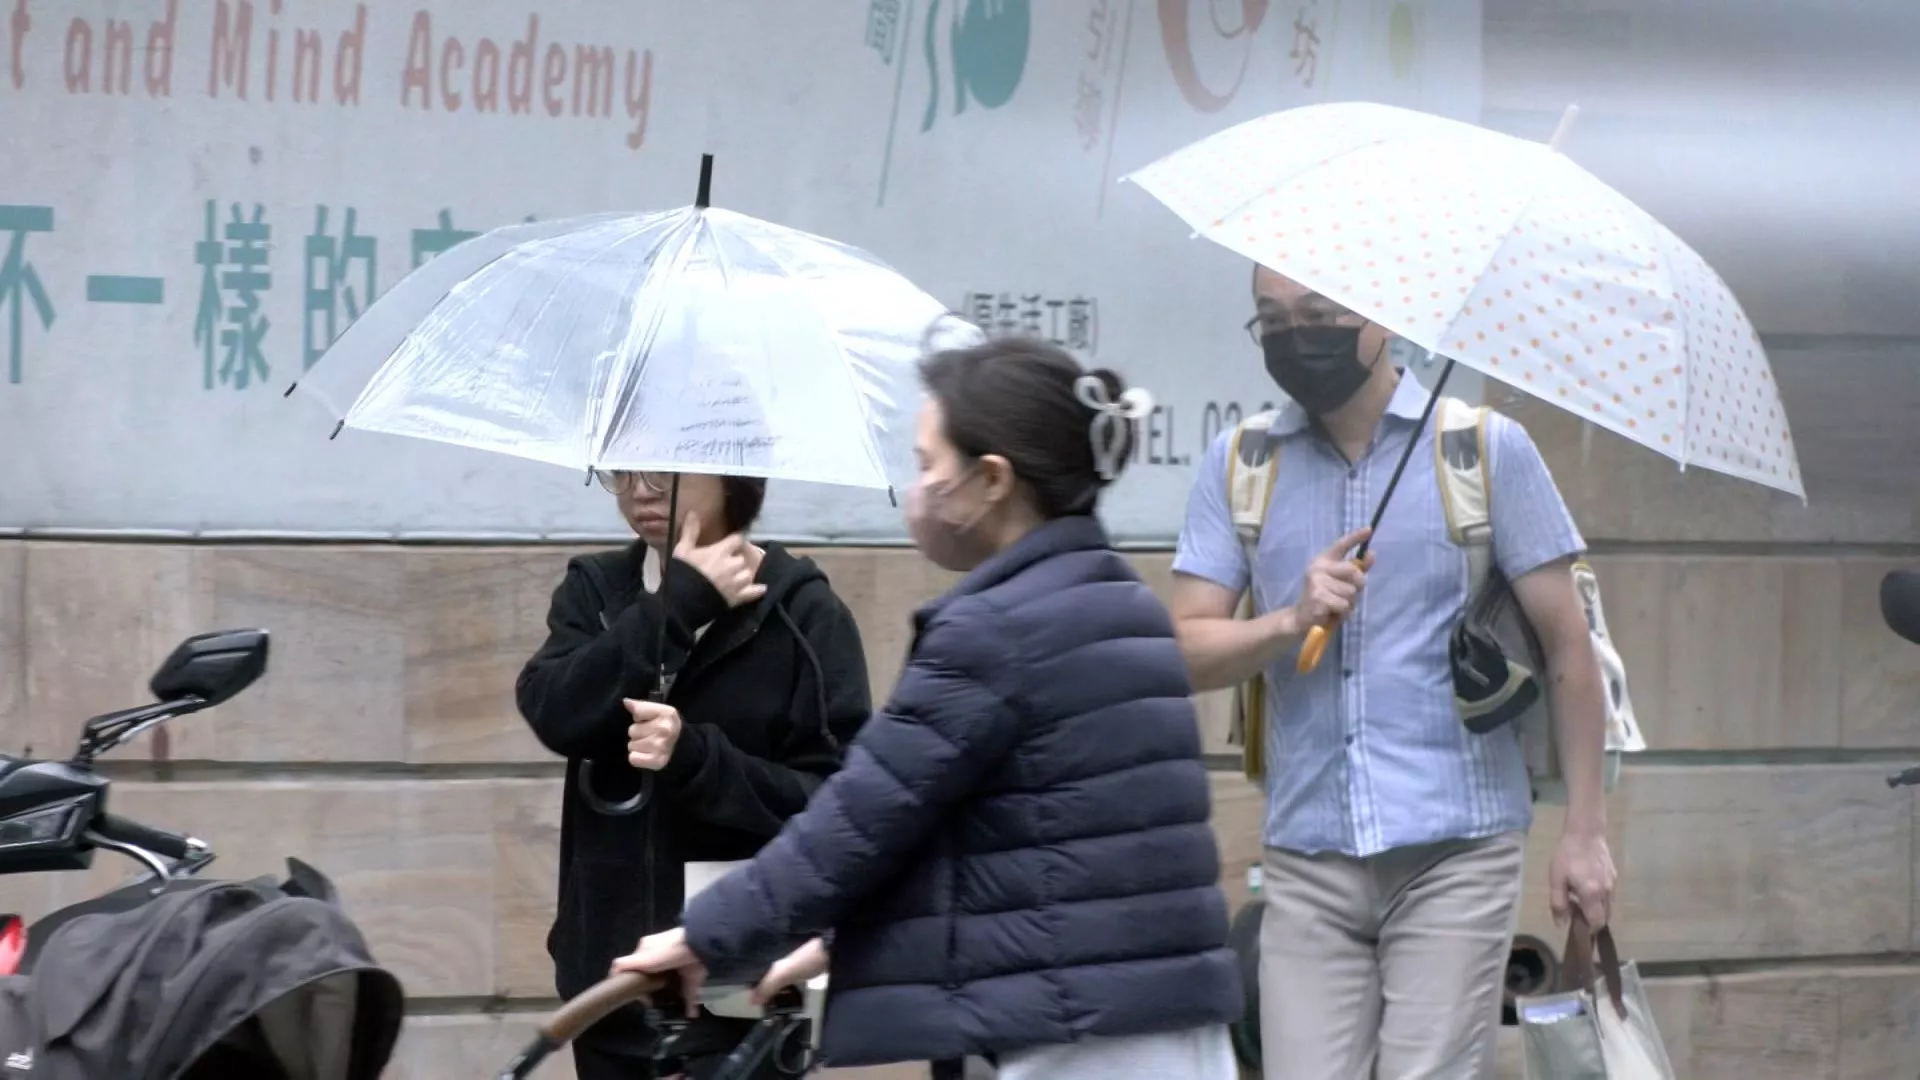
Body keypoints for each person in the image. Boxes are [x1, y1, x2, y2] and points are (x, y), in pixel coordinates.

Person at [610, 337, 1243, 1079]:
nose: (917, 492)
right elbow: (1007, 842)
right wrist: (840, 942)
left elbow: (860, 821)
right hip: (1159, 1024)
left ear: (992, 479)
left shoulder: (996, 629)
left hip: (1066, 1034)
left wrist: (703, 935)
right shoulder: (1125, 606)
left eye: (926, 465)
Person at [1168, 267, 1619, 1078]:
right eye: (1272, 319)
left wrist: (1584, 835)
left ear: (1382, 315)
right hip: (1307, 853)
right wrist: (1286, 620)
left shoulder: (1483, 450)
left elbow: (1568, 647)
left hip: (1457, 847)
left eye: (1318, 313)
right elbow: (1183, 649)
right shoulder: (1242, 463)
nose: (1295, 338)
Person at [515, 468, 871, 1080]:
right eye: (621, 472)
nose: (640, 492)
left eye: (662, 473)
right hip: (611, 973)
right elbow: (556, 713)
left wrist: (697, 759)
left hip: (741, 981)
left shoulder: (803, 610)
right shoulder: (598, 589)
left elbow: (835, 805)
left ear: (731, 476)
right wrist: (676, 606)